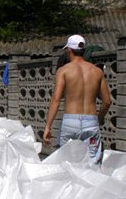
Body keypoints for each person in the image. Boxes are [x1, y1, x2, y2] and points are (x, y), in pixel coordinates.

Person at [44, 34, 111, 164]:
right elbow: (107, 101)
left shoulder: (63, 71)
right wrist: (99, 118)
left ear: (69, 50)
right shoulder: (97, 71)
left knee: (67, 163)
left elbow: (56, 100)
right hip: (91, 122)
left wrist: (48, 126)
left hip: (70, 121)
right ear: (83, 50)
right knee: (92, 163)